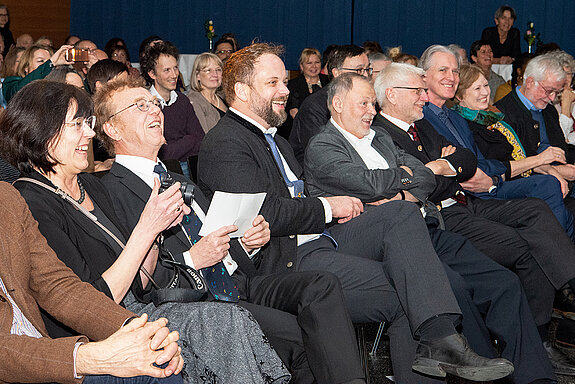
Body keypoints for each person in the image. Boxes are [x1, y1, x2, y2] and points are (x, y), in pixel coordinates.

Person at [198, 42, 515, 383]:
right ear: (242, 91)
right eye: (272, 83)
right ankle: (441, 341)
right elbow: (266, 214)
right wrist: (328, 206)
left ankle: (440, 341)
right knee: (409, 291)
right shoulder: (226, 142)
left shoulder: (275, 139)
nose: (286, 90)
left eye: (283, 82)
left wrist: (332, 208)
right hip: (285, 260)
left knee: (403, 226)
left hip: (319, 241)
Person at [1, 80, 290, 384]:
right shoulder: (31, 200)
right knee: (220, 323)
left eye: (89, 122)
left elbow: (139, 282)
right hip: (91, 329)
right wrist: (147, 229)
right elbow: (83, 298)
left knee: (226, 322)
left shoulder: (94, 187)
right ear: (41, 131)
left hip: (133, 310)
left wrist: (157, 232)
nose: (89, 133)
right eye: (77, 124)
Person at [96, 76, 365, 384]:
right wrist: (192, 259)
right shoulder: (111, 192)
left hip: (237, 280)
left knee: (322, 286)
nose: (155, 111)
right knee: (301, 338)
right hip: (196, 299)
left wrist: (250, 242)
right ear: (113, 128)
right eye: (140, 106)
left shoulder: (178, 179)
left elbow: (218, 235)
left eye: (155, 104)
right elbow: (139, 281)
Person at [305, 70, 554, 383]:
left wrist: (402, 187)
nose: (373, 110)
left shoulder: (379, 138)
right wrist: (405, 187)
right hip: (376, 241)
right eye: (364, 103)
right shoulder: (324, 146)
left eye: (373, 103)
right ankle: (480, 370)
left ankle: (535, 376)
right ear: (338, 104)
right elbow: (371, 183)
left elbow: (423, 177)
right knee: (454, 286)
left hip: (425, 227)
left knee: (503, 282)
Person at [419, 44, 575, 374]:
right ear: (424, 76)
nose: (450, 77)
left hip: (478, 194)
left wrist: (473, 169)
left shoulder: (451, 117)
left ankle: (565, 290)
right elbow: (446, 171)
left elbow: (473, 161)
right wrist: (465, 168)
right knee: (532, 242)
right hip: (453, 206)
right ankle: (536, 339)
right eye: (442, 71)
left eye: (454, 71)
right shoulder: (421, 116)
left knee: (536, 211)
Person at [0, 181, 185, 383]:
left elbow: (57, 287)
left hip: (46, 355)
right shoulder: (34, 197)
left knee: (159, 361)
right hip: (28, 363)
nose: (87, 146)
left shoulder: (6, 197)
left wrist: (138, 330)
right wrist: (88, 357)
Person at [451, 63, 574, 234]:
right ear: (460, 96)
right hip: (493, 186)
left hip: (515, 175)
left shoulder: (491, 118)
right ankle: (559, 244)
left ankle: (560, 243)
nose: (486, 92)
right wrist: (541, 161)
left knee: (568, 212)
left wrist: (551, 170)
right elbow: (494, 167)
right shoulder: (463, 124)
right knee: (548, 185)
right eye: (477, 88)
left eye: (486, 85)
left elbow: (519, 155)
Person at [290, 45, 372, 163]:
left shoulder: (368, 101)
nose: (365, 75)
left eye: (367, 69)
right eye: (359, 70)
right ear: (337, 73)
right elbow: (320, 153)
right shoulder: (315, 106)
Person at [495, 53, 575, 167]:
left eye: (557, 92)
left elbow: (561, 148)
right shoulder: (502, 113)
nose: (552, 98)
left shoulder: (549, 110)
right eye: (549, 91)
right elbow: (508, 165)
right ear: (530, 82)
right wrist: (555, 171)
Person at [140, 41, 204, 177]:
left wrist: (177, 146)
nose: (174, 75)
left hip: (191, 166)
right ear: (152, 74)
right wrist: (188, 140)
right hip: (161, 171)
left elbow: (200, 140)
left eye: (175, 68)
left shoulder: (182, 100)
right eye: (167, 70)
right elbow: (161, 153)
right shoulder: (146, 105)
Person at [2, 44, 73, 102]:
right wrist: (50, 63)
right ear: (26, 66)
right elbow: (18, 93)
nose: (45, 65)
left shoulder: (55, 86)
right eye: (40, 61)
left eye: (48, 61)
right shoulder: (11, 82)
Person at [186, 52, 227, 133]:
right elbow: (203, 137)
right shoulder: (194, 102)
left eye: (218, 70)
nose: (215, 74)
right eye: (208, 70)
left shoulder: (224, 97)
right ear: (197, 75)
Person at [286, 48, 329, 119]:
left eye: (317, 62)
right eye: (309, 63)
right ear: (302, 66)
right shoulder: (293, 85)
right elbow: (293, 110)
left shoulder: (329, 81)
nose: (314, 66)